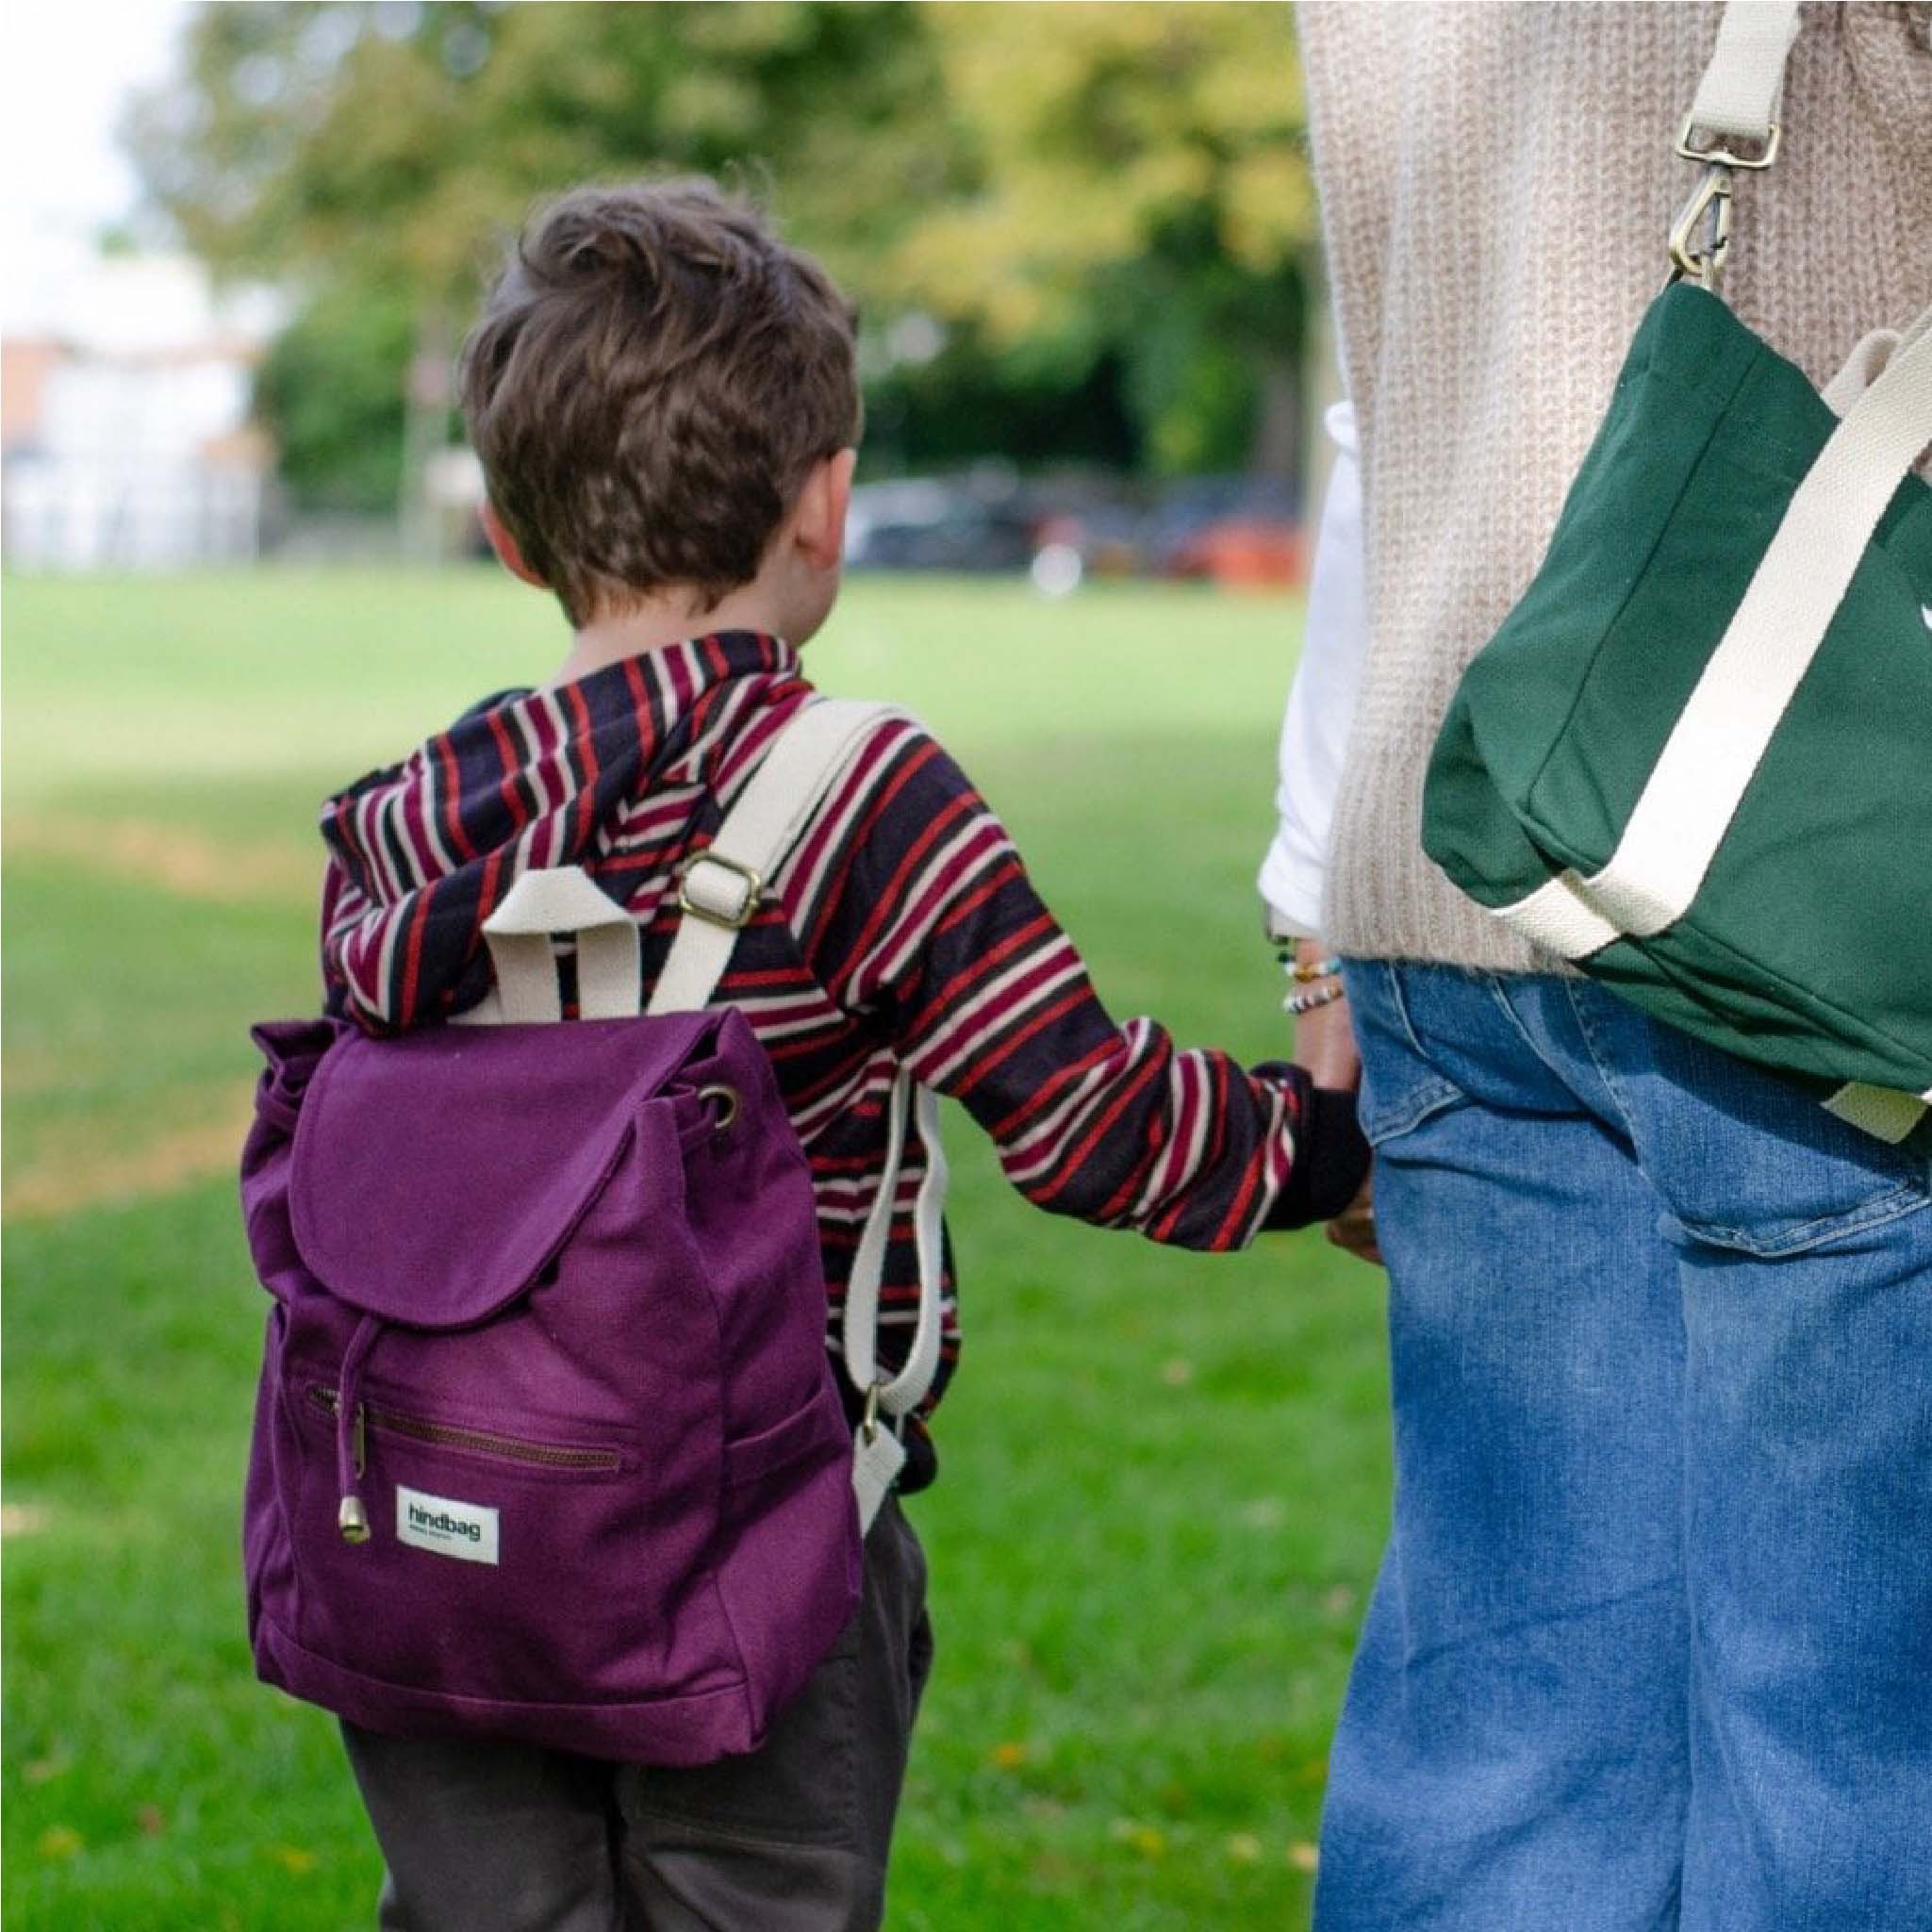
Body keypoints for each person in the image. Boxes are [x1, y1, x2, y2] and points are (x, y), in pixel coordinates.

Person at [313, 178, 1370, 1932]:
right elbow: (1089, 1123)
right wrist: (1323, 1146)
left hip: (437, 1524)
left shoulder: (408, 819)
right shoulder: (856, 794)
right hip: (750, 1542)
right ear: (828, 505)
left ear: (508, 531)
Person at [1281, 6, 1932, 1929]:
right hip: (1794, 900)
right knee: (1841, 1759)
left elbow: (1373, 393)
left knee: (1500, 1750)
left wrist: (1300, 893)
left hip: (1450, 857)